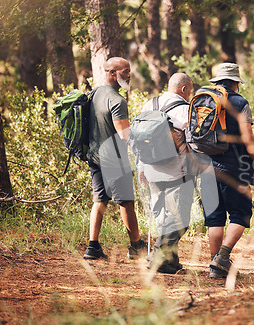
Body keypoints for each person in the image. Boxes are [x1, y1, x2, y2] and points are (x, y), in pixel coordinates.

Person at [205, 63, 254, 279]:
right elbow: (248, 137)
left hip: (206, 167)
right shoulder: (240, 102)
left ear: (217, 82)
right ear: (236, 82)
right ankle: (222, 258)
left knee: (215, 219)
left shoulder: (204, 100)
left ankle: (215, 265)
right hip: (235, 167)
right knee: (240, 213)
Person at [83, 57, 147, 260]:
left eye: (129, 70)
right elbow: (125, 135)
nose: (129, 75)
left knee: (99, 199)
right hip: (114, 159)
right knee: (126, 202)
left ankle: (92, 246)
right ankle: (136, 246)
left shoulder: (94, 93)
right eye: (125, 71)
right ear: (112, 73)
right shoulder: (117, 101)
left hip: (94, 156)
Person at [138, 73, 195, 274]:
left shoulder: (149, 104)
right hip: (176, 170)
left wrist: (141, 168)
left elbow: (140, 137)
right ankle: (157, 256)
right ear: (184, 89)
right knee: (180, 217)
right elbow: (193, 142)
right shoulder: (186, 110)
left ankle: (171, 262)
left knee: (163, 217)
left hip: (152, 168)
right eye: (191, 90)